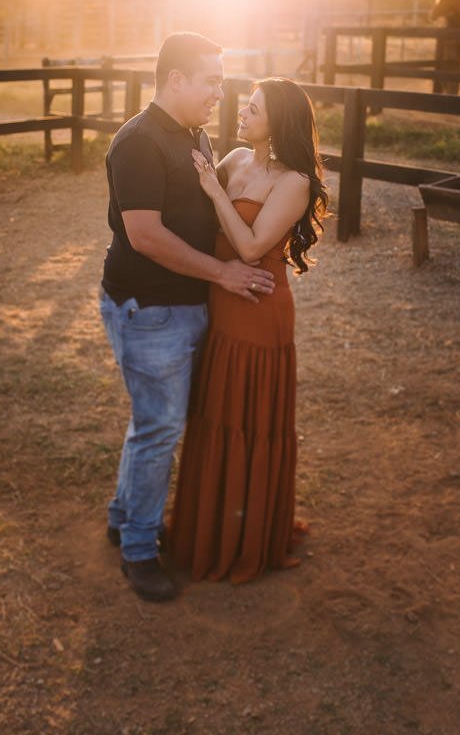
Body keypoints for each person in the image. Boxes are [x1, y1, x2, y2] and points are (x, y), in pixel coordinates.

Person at [100, 32, 276, 603]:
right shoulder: (140, 143)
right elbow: (145, 235)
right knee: (159, 429)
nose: (218, 95)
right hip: (150, 309)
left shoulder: (190, 133)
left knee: (152, 422)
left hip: (182, 305)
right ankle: (139, 550)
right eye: (211, 82)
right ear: (176, 81)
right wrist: (223, 274)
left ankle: (124, 515)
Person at [166, 77, 328, 583]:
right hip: (220, 301)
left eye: (253, 110)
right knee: (216, 412)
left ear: (277, 122)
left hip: (258, 308)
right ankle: (206, 526)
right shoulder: (234, 159)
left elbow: (253, 247)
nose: (242, 114)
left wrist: (213, 189)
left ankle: (246, 537)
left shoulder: (294, 182)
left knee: (248, 418)